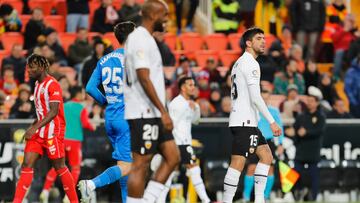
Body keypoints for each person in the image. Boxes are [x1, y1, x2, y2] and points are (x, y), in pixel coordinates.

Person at [124, 1, 180, 202]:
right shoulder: (139, 38)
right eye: (164, 15)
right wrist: (163, 111)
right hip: (142, 111)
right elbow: (143, 76)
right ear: (153, 15)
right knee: (141, 163)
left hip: (153, 112)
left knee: (173, 157)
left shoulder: (147, 39)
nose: (166, 20)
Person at [222, 27, 281, 203]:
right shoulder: (251, 63)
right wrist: (272, 122)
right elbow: (256, 97)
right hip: (244, 121)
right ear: (248, 43)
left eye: (264, 38)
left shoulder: (239, 63)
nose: (263, 41)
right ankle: (227, 200)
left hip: (246, 121)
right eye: (258, 38)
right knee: (238, 163)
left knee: (266, 156)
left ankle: (259, 199)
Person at [78, 21, 136, 203]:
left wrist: (106, 101)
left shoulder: (104, 59)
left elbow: (89, 87)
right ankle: (92, 184)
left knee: (125, 166)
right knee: (128, 166)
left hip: (111, 116)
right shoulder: (134, 59)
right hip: (127, 117)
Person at [12, 54, 78, 203]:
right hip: (39, 131)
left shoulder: (53, 84)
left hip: (54, 131)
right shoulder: (36, 85)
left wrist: (33, 128)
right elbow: (41, 112)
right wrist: (33, 126)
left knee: (59, 167)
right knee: (27, 163)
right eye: (28, 67)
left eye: (32, 67)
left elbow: (54, 111)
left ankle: (74, 201)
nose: (28, 70)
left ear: (41, 68)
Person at [158, 77, 211, 203]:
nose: (193, 87)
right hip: (179, 143)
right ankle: (206, 200)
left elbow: (195, 121)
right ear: (182, 87)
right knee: (194, 169)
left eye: (194, 85)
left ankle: (158, 200)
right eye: (190, 85)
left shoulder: (190, 103)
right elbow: (171, 125)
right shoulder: (176, 104)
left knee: (169, 173)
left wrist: (196, 108)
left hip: (183, 142)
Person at [39, 86, 95, 203]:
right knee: (75, 169)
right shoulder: (81, 108)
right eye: (82, 93)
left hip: (62, 140)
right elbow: (85, 124)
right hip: (75, 142)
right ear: (78, 94)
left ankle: (45, 191)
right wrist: (92, 126)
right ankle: (68, 197)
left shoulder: (63, 106)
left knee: (57, 167)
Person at [243, 87, 284, 202]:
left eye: (267, 95)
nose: (264, 97)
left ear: (269, 97)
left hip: (269, 142)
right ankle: (246, 197)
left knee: (269, 170)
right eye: (262, 95)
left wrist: (280, 143)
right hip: (254, 141)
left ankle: (265, 196)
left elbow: (279, 126)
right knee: (251, 168)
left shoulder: (274, 111)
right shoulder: (252, 110)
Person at [287, 86, 326, 201]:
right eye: (308, 101)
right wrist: (293, 132)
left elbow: (319, 131)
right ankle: (294, 194)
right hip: (301, 151)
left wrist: (306, 132)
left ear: (317, 103)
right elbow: (294, 130)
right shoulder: (301, 116)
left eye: (312, 101)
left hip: (313, 151)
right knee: (294, 174)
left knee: (314, 176)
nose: (309, 103)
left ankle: (314, 197)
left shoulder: (320, 117)